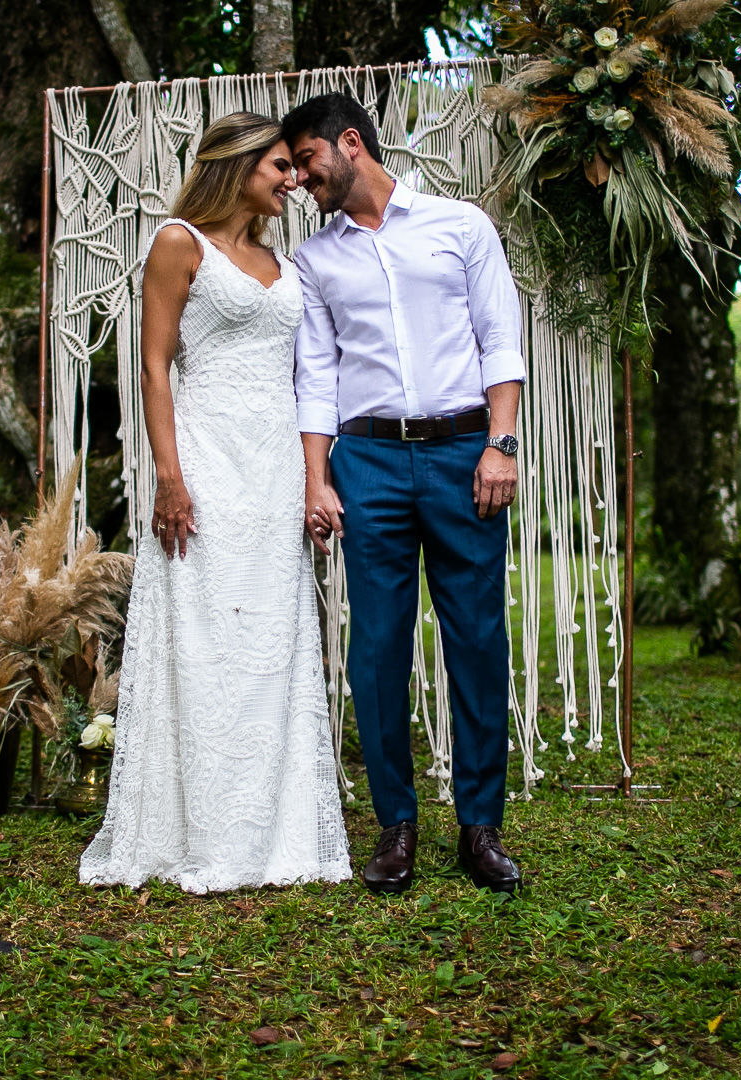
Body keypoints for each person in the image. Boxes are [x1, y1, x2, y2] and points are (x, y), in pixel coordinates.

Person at [80, 112, 352, 893]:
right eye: (278, 166)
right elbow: (156, 367)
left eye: (294, 168)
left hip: (273, 468)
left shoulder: (284, 263)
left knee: (269, 638)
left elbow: (309, 380)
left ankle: (277, 829)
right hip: (205, 460)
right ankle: (197, 825)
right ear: (237, 167)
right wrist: (169, 475)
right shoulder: (177, 244)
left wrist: (311, 479)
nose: (293, 179)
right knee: (204, 632)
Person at [284, 92, 526, 895]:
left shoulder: (460, 226)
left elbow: (501, 336)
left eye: (306, 162)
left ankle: (480, 826)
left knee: (477, 640)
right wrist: (318, 478)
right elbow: (317, 376)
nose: (298, 181)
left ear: (350, 143)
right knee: (378, 649)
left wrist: (501, 445)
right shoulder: (316, 262)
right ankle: (396, 826)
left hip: (465, 455)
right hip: (370, 463)